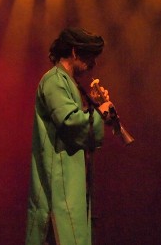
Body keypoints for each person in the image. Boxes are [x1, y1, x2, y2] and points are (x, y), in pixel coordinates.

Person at [25, 27, 115, 245]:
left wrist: (91, 107)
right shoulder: (54, 81)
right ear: (75, 52)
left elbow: (72, 121)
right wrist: (100, 112)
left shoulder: (66, 82)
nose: (93, 63)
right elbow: (70, 123)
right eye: (90, 56)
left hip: (69, 180)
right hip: (58, 183)